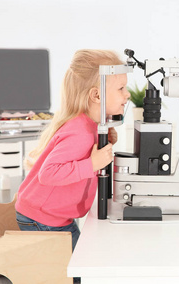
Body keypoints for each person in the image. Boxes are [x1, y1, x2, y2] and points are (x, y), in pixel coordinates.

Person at [15, 49, 130, 251]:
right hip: (44, 220)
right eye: (121, 88)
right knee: (77, 274)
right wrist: (92, 164)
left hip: (55, 217)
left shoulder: (89, 126)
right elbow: (48, 174)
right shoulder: (80, 132)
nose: (127, 94)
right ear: (96, 95)